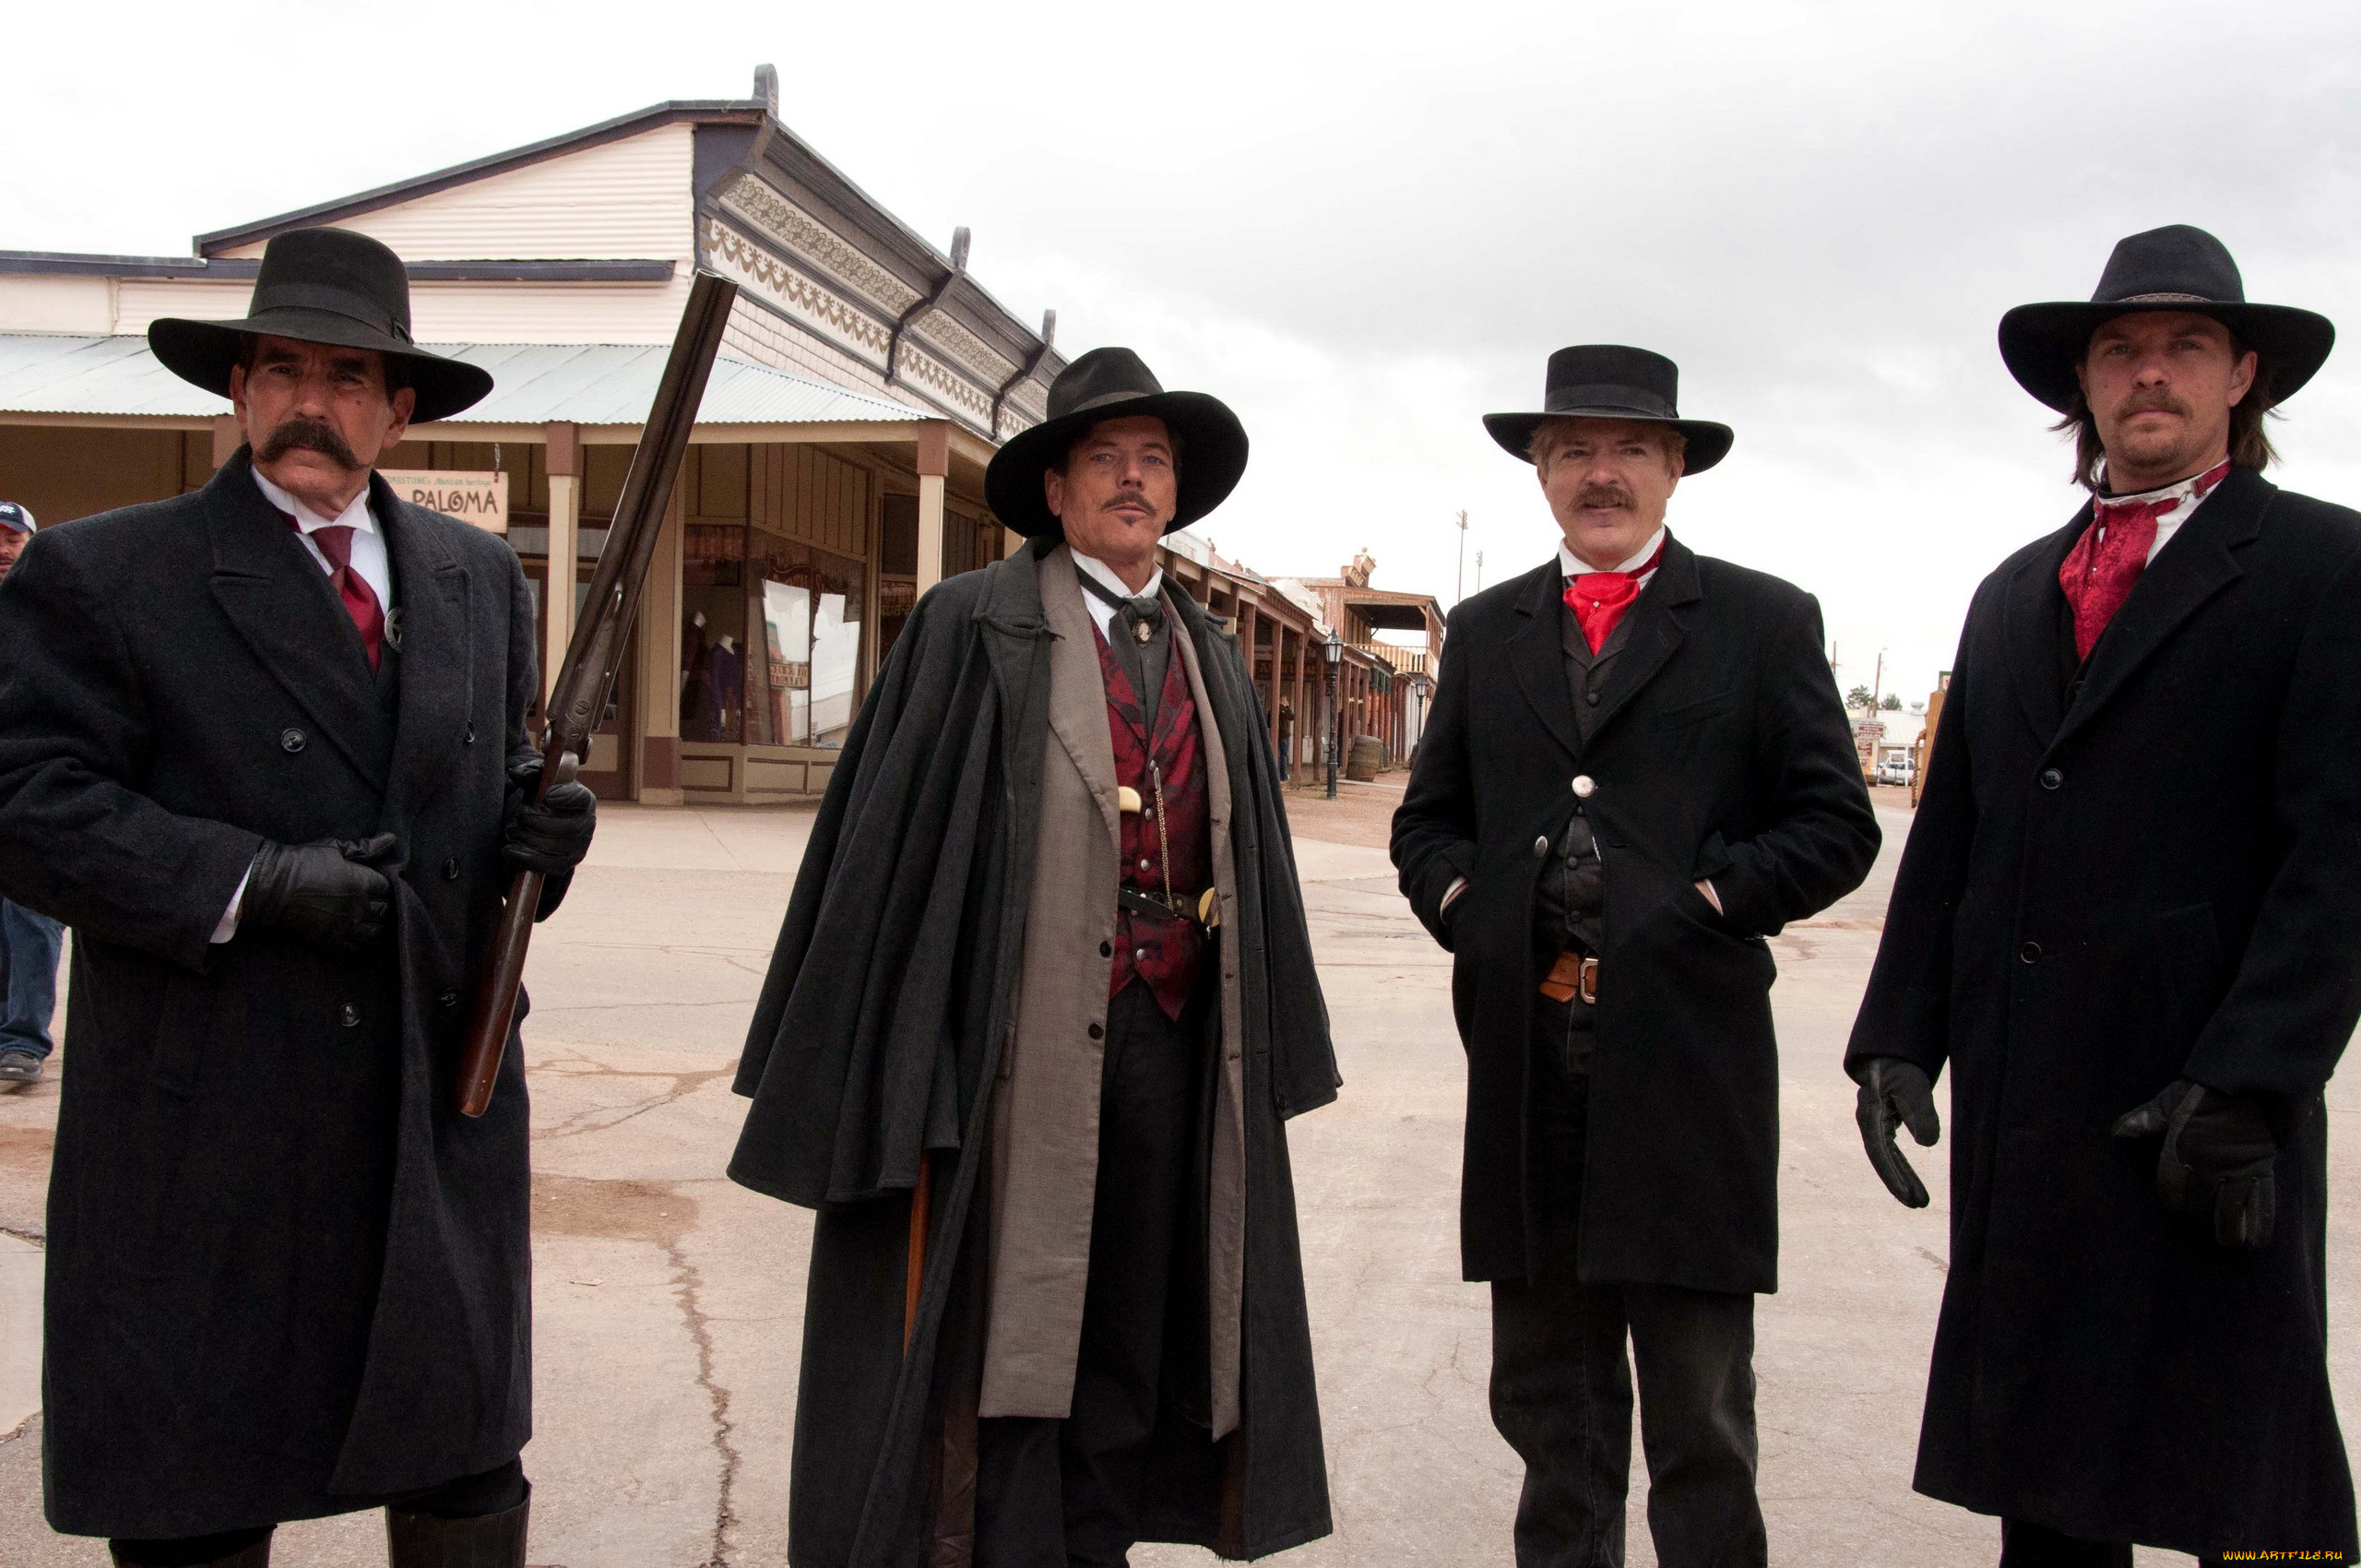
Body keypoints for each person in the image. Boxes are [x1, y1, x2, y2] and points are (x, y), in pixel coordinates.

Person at [0, 227, 597, 1568]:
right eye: (282, 370)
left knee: (462, 1470)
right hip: (209, 1123)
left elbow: (484, 805)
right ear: (238, 394)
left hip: (428, 1107)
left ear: (398, 410)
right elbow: (26, 804)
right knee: (203, 1492)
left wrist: (544, 838)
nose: (310, 402)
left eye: (346, 375)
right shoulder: (106, 576)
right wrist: (254, 882)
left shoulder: (474, 581)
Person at [729, 347, 1339, 1565]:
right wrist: (916, 1058)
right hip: (1014, 1058)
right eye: (1103, 460)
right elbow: (890, 850)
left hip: (1172, 1045)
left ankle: (1098, 1544)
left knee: (1135, 1318)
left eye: (1152, 461)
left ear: (1176, 496)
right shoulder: (977, 626)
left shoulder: (1212, 651)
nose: (1131, 479)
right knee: (1010, 1339)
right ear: (1054, 493)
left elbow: (1250, 856)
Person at [1847, 224, 2361, 1565]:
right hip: (2036, 1111)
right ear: (2082, 384)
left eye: (2186, 346)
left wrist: (2255, 1079)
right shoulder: (2015, 592)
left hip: (2198, 1106)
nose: (2151, 375)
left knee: (2243, 1475)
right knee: (2054, 1480)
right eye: (2122, 350)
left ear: (2244, 374)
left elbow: (2342, 856)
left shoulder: (2324, 569)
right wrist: (1901, 1033)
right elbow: (1952, 830)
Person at [1393, 346, 1878, 1566]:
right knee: (1549, 1406)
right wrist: (1470, 906)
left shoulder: (1763, 623)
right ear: (1541, 471)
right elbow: (1427, 821)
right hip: (1527, 1071)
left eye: (1628, 451)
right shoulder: (1492, 630)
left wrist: (1707, 899)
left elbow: (1834, 824)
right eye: (1572, 451)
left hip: (1689, 1078)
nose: (1599, 473)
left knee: (1700, 1410)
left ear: (1674, 468)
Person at [0, 502, 65, 1086]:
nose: (1, 548)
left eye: (11, 538)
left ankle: (23, 1039)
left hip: (31, 793)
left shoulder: (52, 616)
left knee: (31, 913)